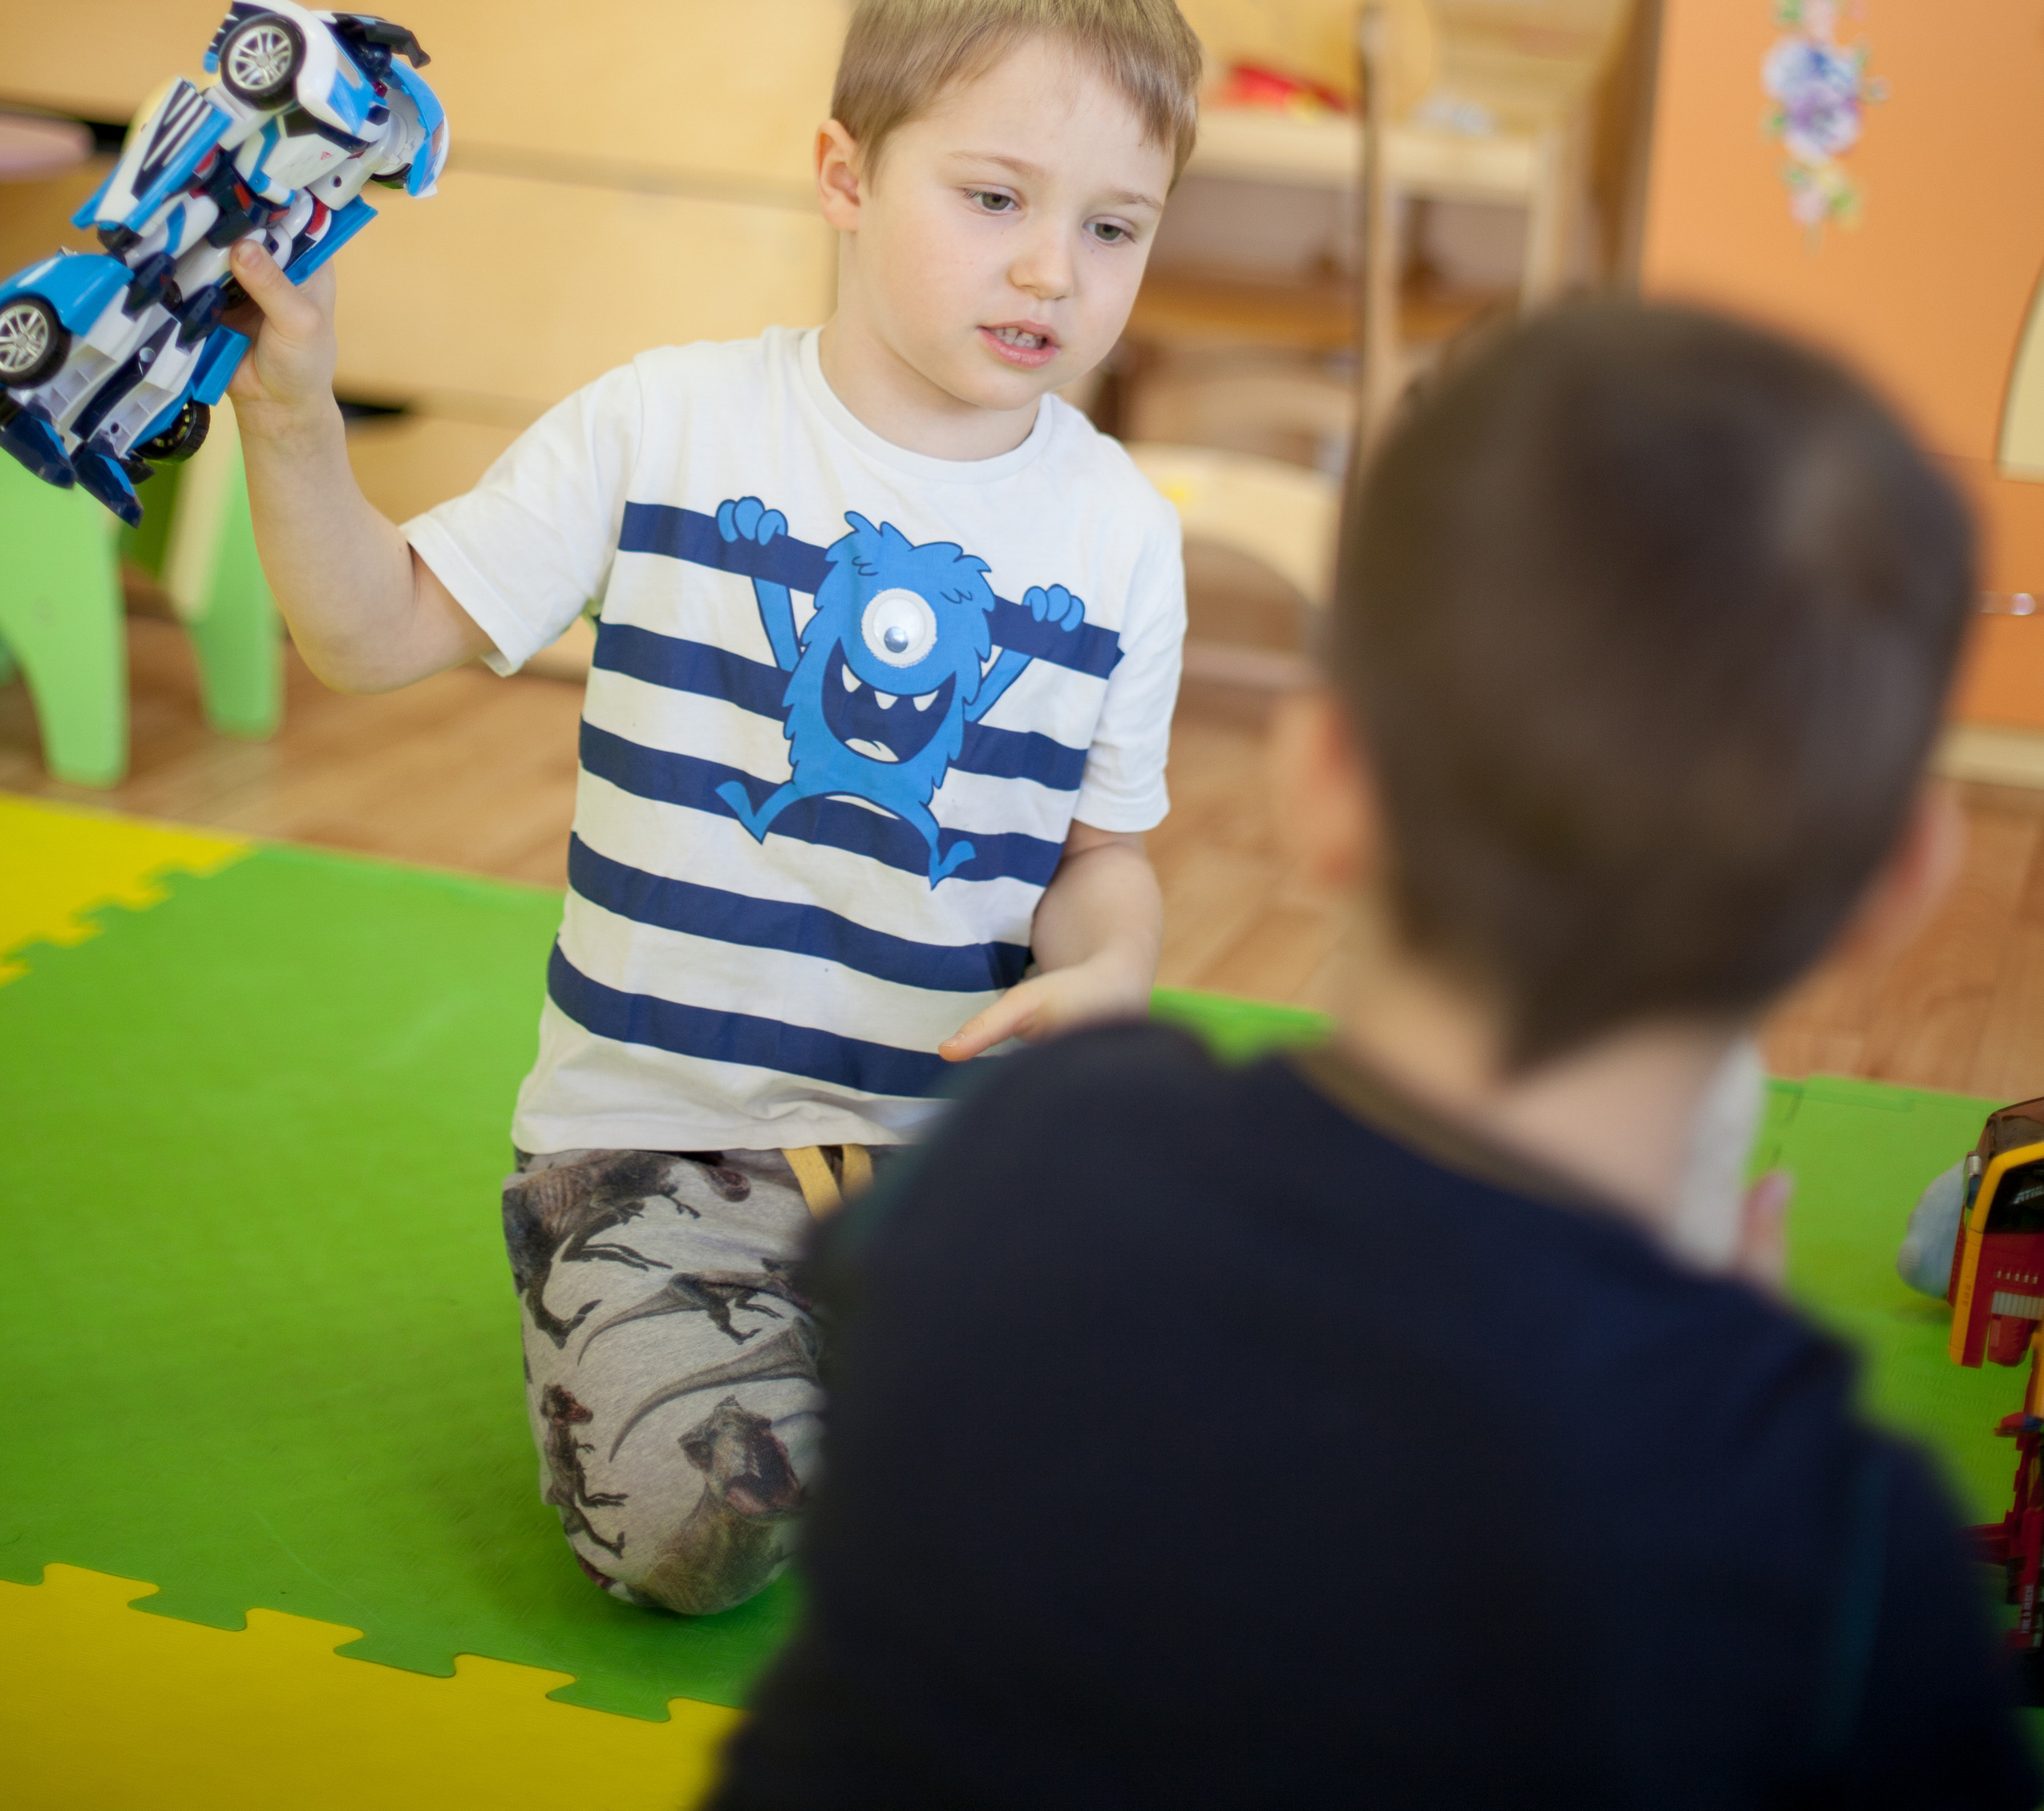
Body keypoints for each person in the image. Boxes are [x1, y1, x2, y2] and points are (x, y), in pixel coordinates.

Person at [709, 300, 2038, 1809]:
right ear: (1900, 884)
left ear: (1323, 775)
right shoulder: (1858, 1563)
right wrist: (1711, 1377)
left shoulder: (1043, 1163)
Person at [222, 0, 1200, 1615]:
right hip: (654, 1150)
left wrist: (1109, 969)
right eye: (994, 200)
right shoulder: (661, 427)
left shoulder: (1119, 537)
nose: (1053, 270)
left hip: (943, 1155)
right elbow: (368, 633)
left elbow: (1098, 857)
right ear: (842, 173)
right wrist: (294, 417)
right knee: (695, 1535)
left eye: (1111, 227)